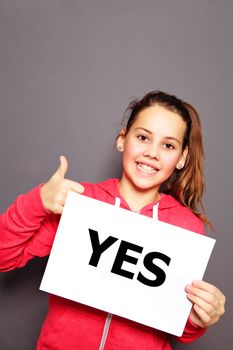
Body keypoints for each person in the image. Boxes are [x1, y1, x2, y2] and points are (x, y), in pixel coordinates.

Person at [0, 91, 225, 350]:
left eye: (168, 145)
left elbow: (179, 325)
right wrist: (38, 201)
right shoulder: (79, 202)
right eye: (143, 137)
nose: (152, 153)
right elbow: (4, 256)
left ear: (182, 158)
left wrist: (198, 318)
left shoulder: (187, 227)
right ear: (122, 140)